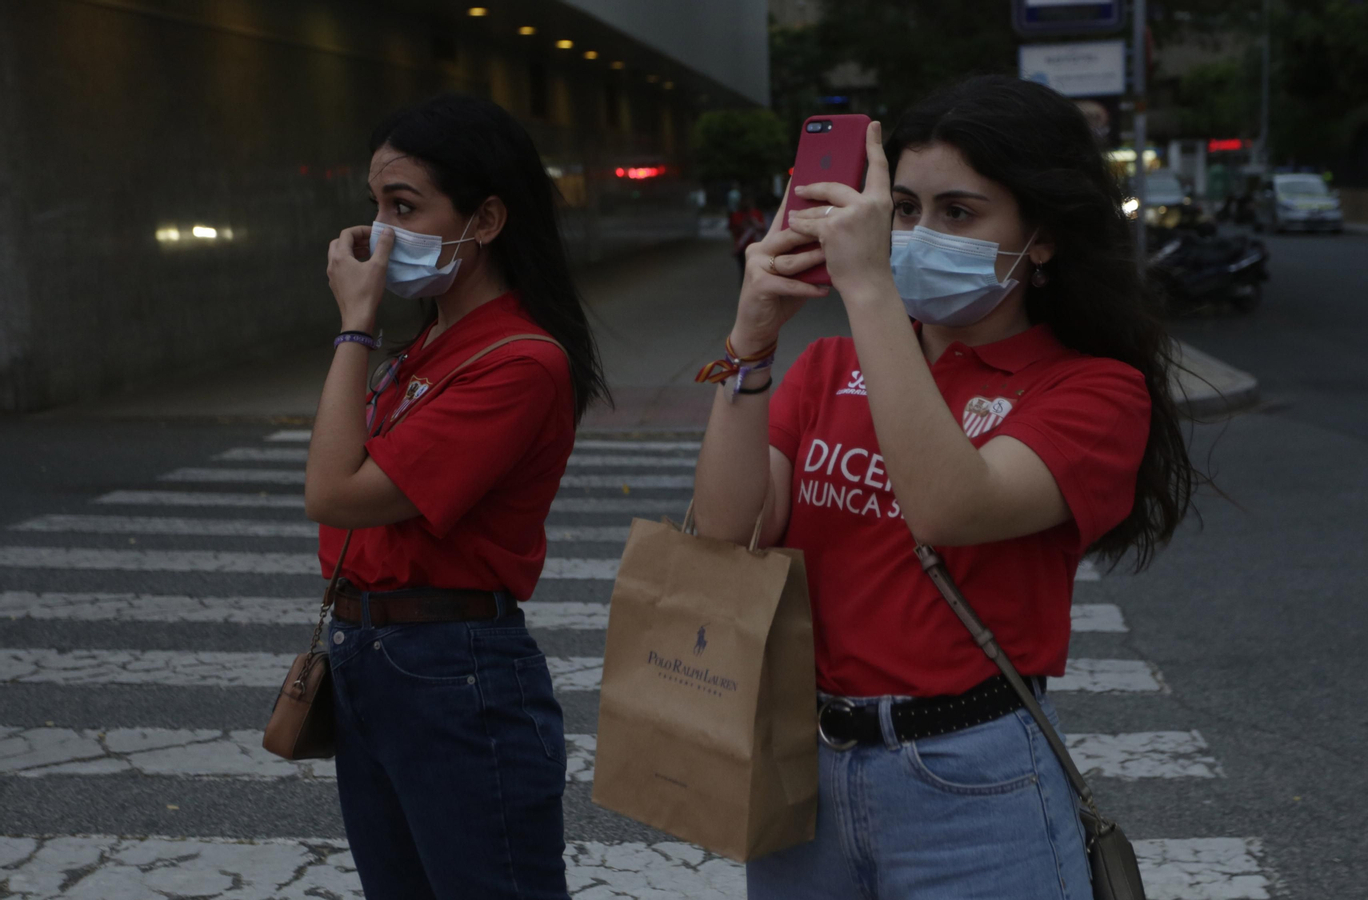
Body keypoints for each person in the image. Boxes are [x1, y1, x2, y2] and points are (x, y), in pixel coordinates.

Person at [691, 75, 1194, 898]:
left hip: (971, 780)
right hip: (801, 764)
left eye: (958, 212)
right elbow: (724, 535)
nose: (918, 236)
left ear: (1042, 238)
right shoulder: (827, 368)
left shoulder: (1094, 391)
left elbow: (948, 507)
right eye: (904, 209)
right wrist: (748, 343)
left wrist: (869, 289)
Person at [307, 93, 608, 900]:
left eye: (404, 206)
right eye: (375, 203)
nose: (377, 233)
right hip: (371, 656)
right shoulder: (432, 343)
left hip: (451, 671)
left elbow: (335, 492)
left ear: (486, 220)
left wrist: (355, 325)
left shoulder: (519, 360)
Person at [728, 192, 770, 277]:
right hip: (742, 249)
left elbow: (763, 229)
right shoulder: (736, 215)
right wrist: (744, 224)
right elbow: (733, 230)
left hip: (756, 248)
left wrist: (754, 223)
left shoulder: (757, 213)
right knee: (744, 273)